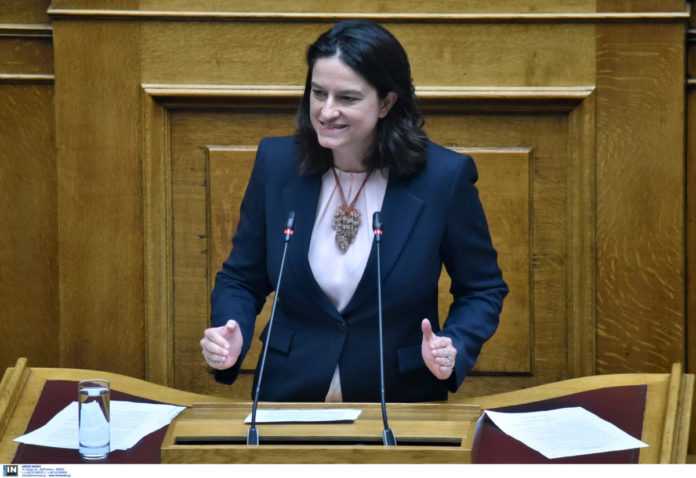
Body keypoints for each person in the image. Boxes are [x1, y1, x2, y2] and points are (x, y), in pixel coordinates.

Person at [200, 20, 508, 402]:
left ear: (386, 103)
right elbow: (241, 278)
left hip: (398, 398)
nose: (326, 111)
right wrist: (231, 331)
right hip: (288, 394)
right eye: (318, 93)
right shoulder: (277, 164)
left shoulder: (442, 179)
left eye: (347, 98)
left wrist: (454, 343)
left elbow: (482, 288)